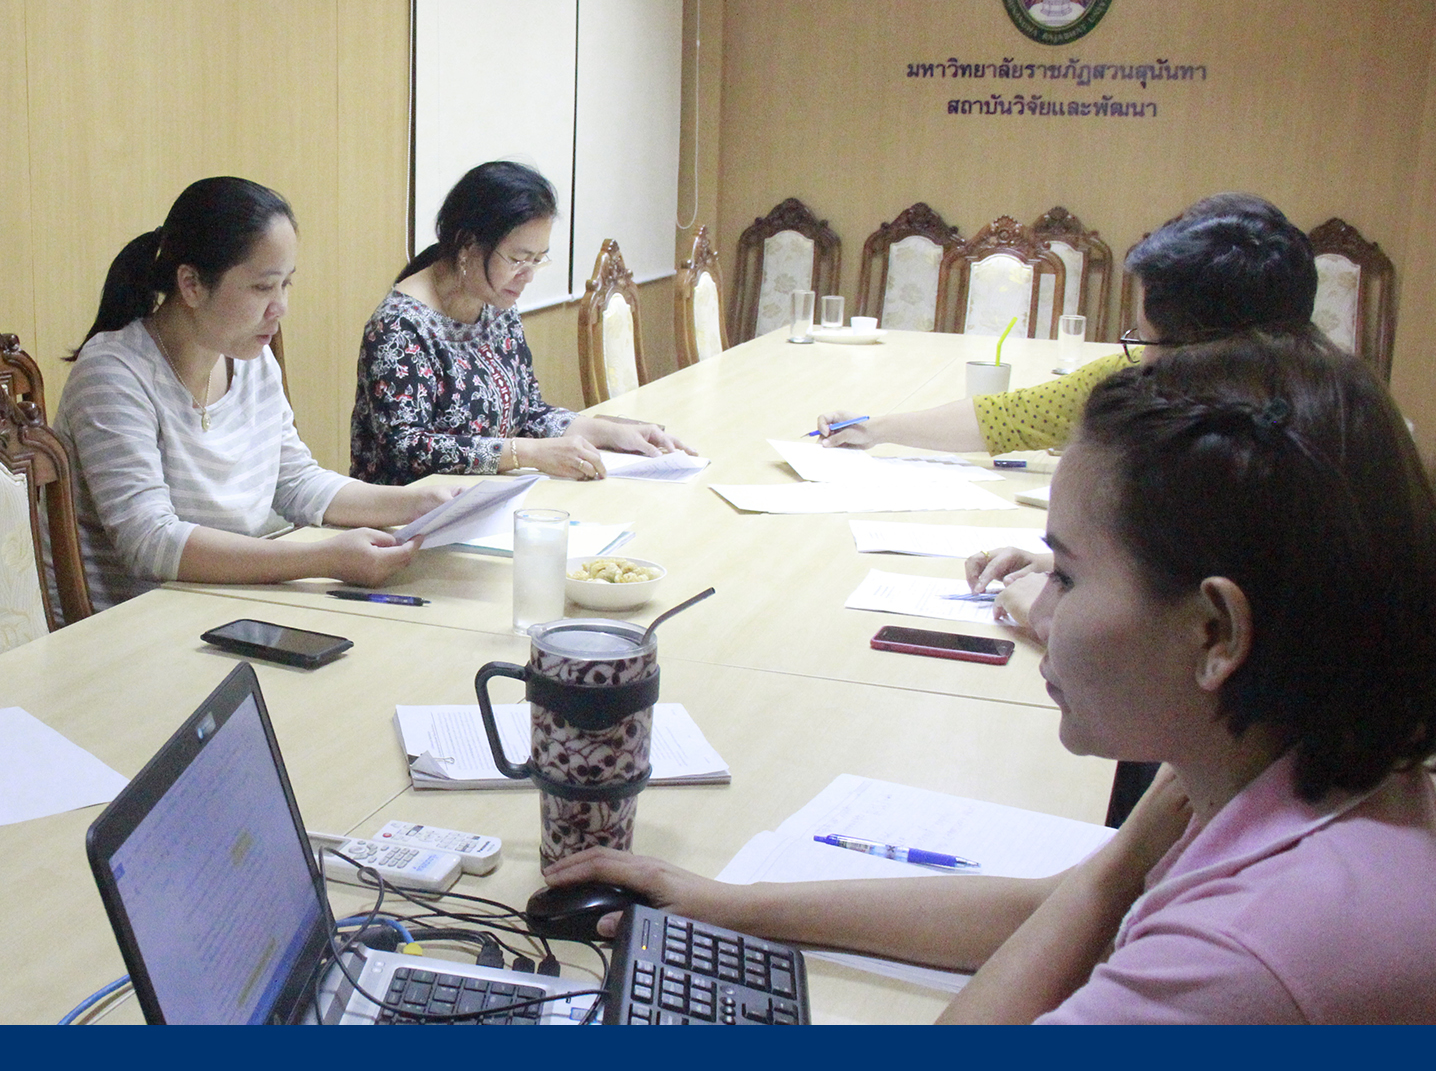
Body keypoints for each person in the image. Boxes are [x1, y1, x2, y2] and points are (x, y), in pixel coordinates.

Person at [550, 329, 1436, 1022]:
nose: (1040, 611)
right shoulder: (1303, 762)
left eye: (1067, 575)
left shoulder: (1248, 951)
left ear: (1215, 633)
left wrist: (1119, 864)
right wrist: (728, 906)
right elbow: (1047, 914)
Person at [826, 193, 1322, 633]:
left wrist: (1046, 613)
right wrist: (1060, 566)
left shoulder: (1231, 450)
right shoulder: (1325, 404)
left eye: (1146, 340)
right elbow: (1013, 416)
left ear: (1205, 350)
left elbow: (1180, 632)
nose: (1141, 360)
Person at [58, 177, 451, 610]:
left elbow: (295, 481)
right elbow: (149, 541)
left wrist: (419, 502)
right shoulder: (113, 372)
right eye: (263, 287)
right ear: (191, 284)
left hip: (226, 602)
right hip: (133, 622)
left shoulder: (249, 358)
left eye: (286, 284)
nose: (280, 307)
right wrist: (322, 559)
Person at [349, 160, 692, 485]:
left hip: (486, 497)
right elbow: (407, 449)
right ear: (467, 244)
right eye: (517, 259)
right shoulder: (400, 327)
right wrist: (525, 453)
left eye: (538, 260)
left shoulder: (496, 304)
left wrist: (610, 432)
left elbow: (528, 413)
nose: (528, 275)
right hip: (412, 514)